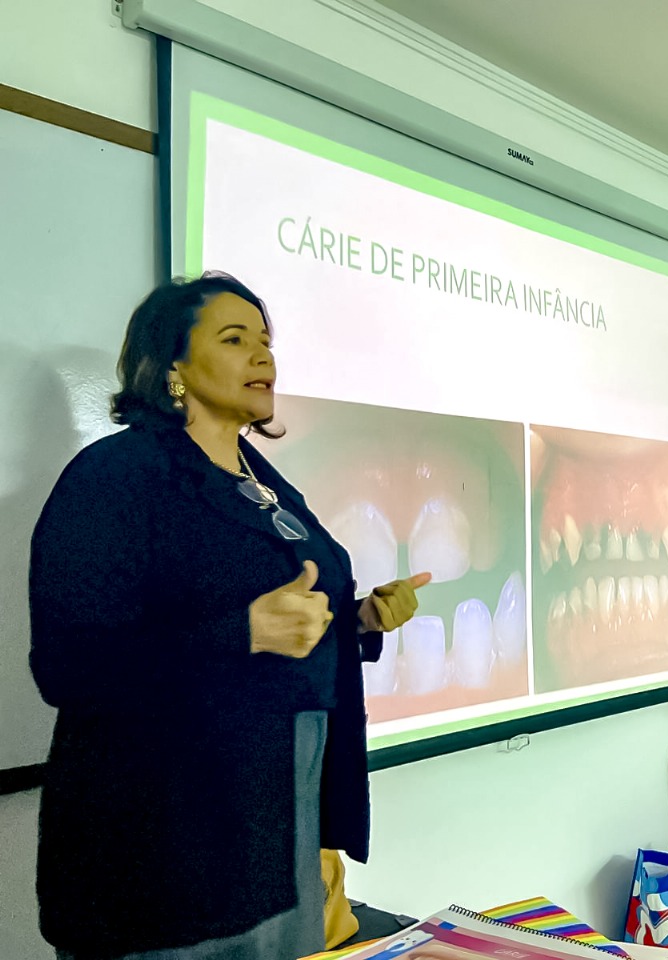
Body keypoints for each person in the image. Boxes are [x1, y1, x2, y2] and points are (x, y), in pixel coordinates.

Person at [28, 272, 429, 959]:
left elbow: (288, 615)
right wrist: (242, 633)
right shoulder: (115, 478)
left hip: (276, 830)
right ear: (174, 364)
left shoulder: (264, 483)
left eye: (267, 340)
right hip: (167, 843)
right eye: (235, 338)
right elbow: (69, 667)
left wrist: (357, 620)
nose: (263, 356)